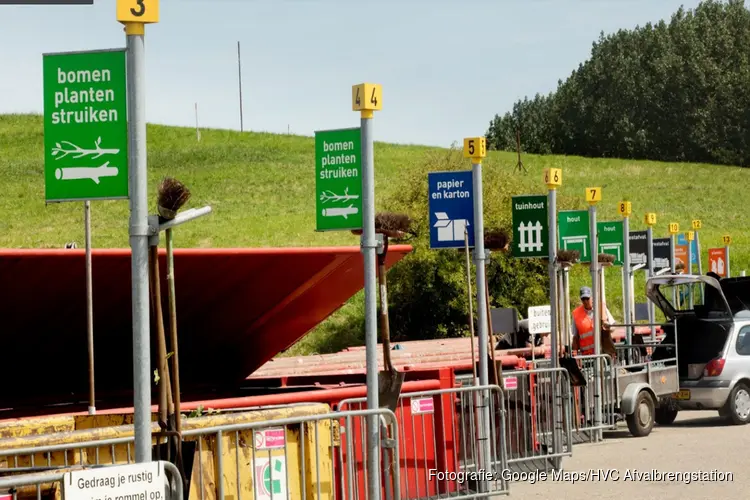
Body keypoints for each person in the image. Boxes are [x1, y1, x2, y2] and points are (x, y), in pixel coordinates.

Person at [571, 286, 614, 355]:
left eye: (587, 298)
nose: (585, 301)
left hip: (603, 354)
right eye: (583, 299)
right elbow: (575, 336)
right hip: (586, 356)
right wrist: (575, 352)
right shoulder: (576, 314)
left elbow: (613, 327)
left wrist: (607, 326)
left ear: (592, 297)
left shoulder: (601, 308)